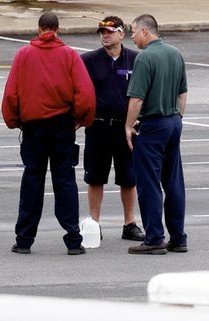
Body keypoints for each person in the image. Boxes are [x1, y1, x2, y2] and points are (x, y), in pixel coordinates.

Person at [2, 12, 96, 255]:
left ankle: (24, 239)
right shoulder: (69, 55)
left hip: (33, 127)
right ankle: (73, 238)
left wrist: (15, 121)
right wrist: (80, 119)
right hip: (61, 126)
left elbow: (11, 93)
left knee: (32, 179)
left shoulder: (24, 55)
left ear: (39, 29)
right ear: (58, 29)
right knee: (64, 179)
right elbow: (85, 93)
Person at [125, 14, 188, 255]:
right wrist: (177, 118)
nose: (132, 36)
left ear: (144, 31)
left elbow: (137, 98)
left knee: (149, 183)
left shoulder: (145, 58)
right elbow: (182, 94)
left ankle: (154, 238)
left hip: (153, 125)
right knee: (173, 183)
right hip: (173, 122)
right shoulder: (175, 54)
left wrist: (128, 126)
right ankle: (178, 237)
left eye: (133, 31)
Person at [81, 16, 145, 242]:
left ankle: (129, 223)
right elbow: (77, 91)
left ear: (121, 34)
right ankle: (94, 223)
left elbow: (145, 93)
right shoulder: (88, 60)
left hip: (125, 129)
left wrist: (138, 120)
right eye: (102, 32)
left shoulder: (136, 59)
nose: (105, 36)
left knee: (128, 178)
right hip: (97, 127)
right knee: (95, 178)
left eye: (109, 31)